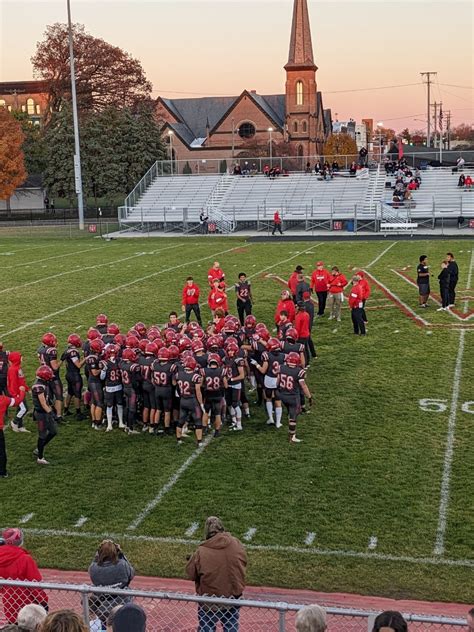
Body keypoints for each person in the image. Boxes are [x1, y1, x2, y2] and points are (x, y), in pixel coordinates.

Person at [186, 516, 247, 632]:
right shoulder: (236, 543)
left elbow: (191, 574)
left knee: (207, 627)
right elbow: (243, 561)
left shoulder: (202, 551)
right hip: (233, 597)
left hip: (210, 601)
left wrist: (192, 560)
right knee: (231, 627)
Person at [0, 528, 48, 624]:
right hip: (30, 609)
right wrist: (43, 602)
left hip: (10, 607)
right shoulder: (25, 559)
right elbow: (35, 585)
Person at [88, 540, 135, 628]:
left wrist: (97, 556)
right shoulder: (122, 565)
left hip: (102, 607)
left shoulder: (93, 568)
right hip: (122, 605)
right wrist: (121, 555)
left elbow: (94, 563)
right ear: (116, 552)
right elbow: (131, 574)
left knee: (104, 627)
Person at [277, 352, 311, 444]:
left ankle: (291, 426)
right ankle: (292, 437)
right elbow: (303, 386)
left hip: (282, 395)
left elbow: (278, 381)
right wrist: (309, 397)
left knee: (291, 412)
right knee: (293, 417)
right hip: (293, 397)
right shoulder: (299, 371)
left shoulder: (281, 367)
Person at [31, 366, 57, 466]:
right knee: (42, 435)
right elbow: (42, 403)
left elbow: (46, 399)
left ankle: (38, 449)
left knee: (53, 431)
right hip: (41, 413)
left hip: (45, 411)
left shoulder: (43, 382)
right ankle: (40, 457)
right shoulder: (38, 386)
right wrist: (51, 413)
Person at [0, 386, 26, 477]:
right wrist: (22, 391)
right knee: (1, 452)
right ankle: (2, 472)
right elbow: (18, 401)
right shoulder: (3, 399)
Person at [61, 335, 86, 421]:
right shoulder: (73, 352)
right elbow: (78, 365)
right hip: (75, 375)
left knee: (70, 392)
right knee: (77, 394)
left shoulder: (67, 350)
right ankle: (78, 413)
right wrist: (85, 359)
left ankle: (65, 410)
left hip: (68, 374)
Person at [7, 352, 30, 432]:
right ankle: (14, 422)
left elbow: (21, 381)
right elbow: (13, 383)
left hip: (21, 392)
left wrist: (27, 389)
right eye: (20, 357)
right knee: (24, 409)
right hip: (17, 393)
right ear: (16, 359)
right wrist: (15, 394)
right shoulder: (13, 369)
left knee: (20, 408)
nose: (22, 358)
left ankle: (20, 426)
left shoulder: (17, 368)